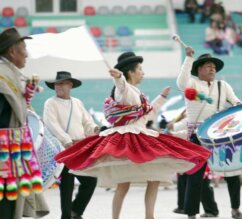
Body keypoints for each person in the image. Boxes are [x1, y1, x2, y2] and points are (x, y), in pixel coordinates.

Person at [54, 52, 211, 219]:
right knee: (124, 183)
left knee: (154, 177)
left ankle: (149, 216)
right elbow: (122, 87)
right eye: (140, 69)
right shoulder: (125, 90)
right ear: (131, 72)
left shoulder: (137, 93)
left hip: (140, 133)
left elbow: (147, 115)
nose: (143, 73)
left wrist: (162, 97)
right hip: (129, 137)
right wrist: (119, 77)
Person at [176, 47, 242, 219]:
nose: (212, 69)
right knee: (195, 176)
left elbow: (236, 102)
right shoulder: (191, 84)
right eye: (208, 66)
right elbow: (180, 83)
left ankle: (235, 210)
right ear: (199, 69)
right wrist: (188, 58)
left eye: (214, 67)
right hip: (197, 136)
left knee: (233, 173)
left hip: (220, 135)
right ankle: (191, 214)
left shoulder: (223, 85)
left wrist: (240, 107)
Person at [0, 27, 48, 219]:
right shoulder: (3, 76)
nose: (27, 55)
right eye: (24, 49)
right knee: (6, 200)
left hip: (13, 149)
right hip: (6, 153)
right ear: (12, 51)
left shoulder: (10, 74)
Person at [43, 71, 99, 219]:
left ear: (70, 85)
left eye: (62, 83)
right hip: (63, 148)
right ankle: (66, 216)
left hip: (80, 148)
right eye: (57, 84)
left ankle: (76, 211)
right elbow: (52, 125)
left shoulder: (77, 103)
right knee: (66, 186)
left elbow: (87, 122)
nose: (58, 86)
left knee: (90, 181)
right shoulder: (50, 103)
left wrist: (95, 129)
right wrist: (67, 141)